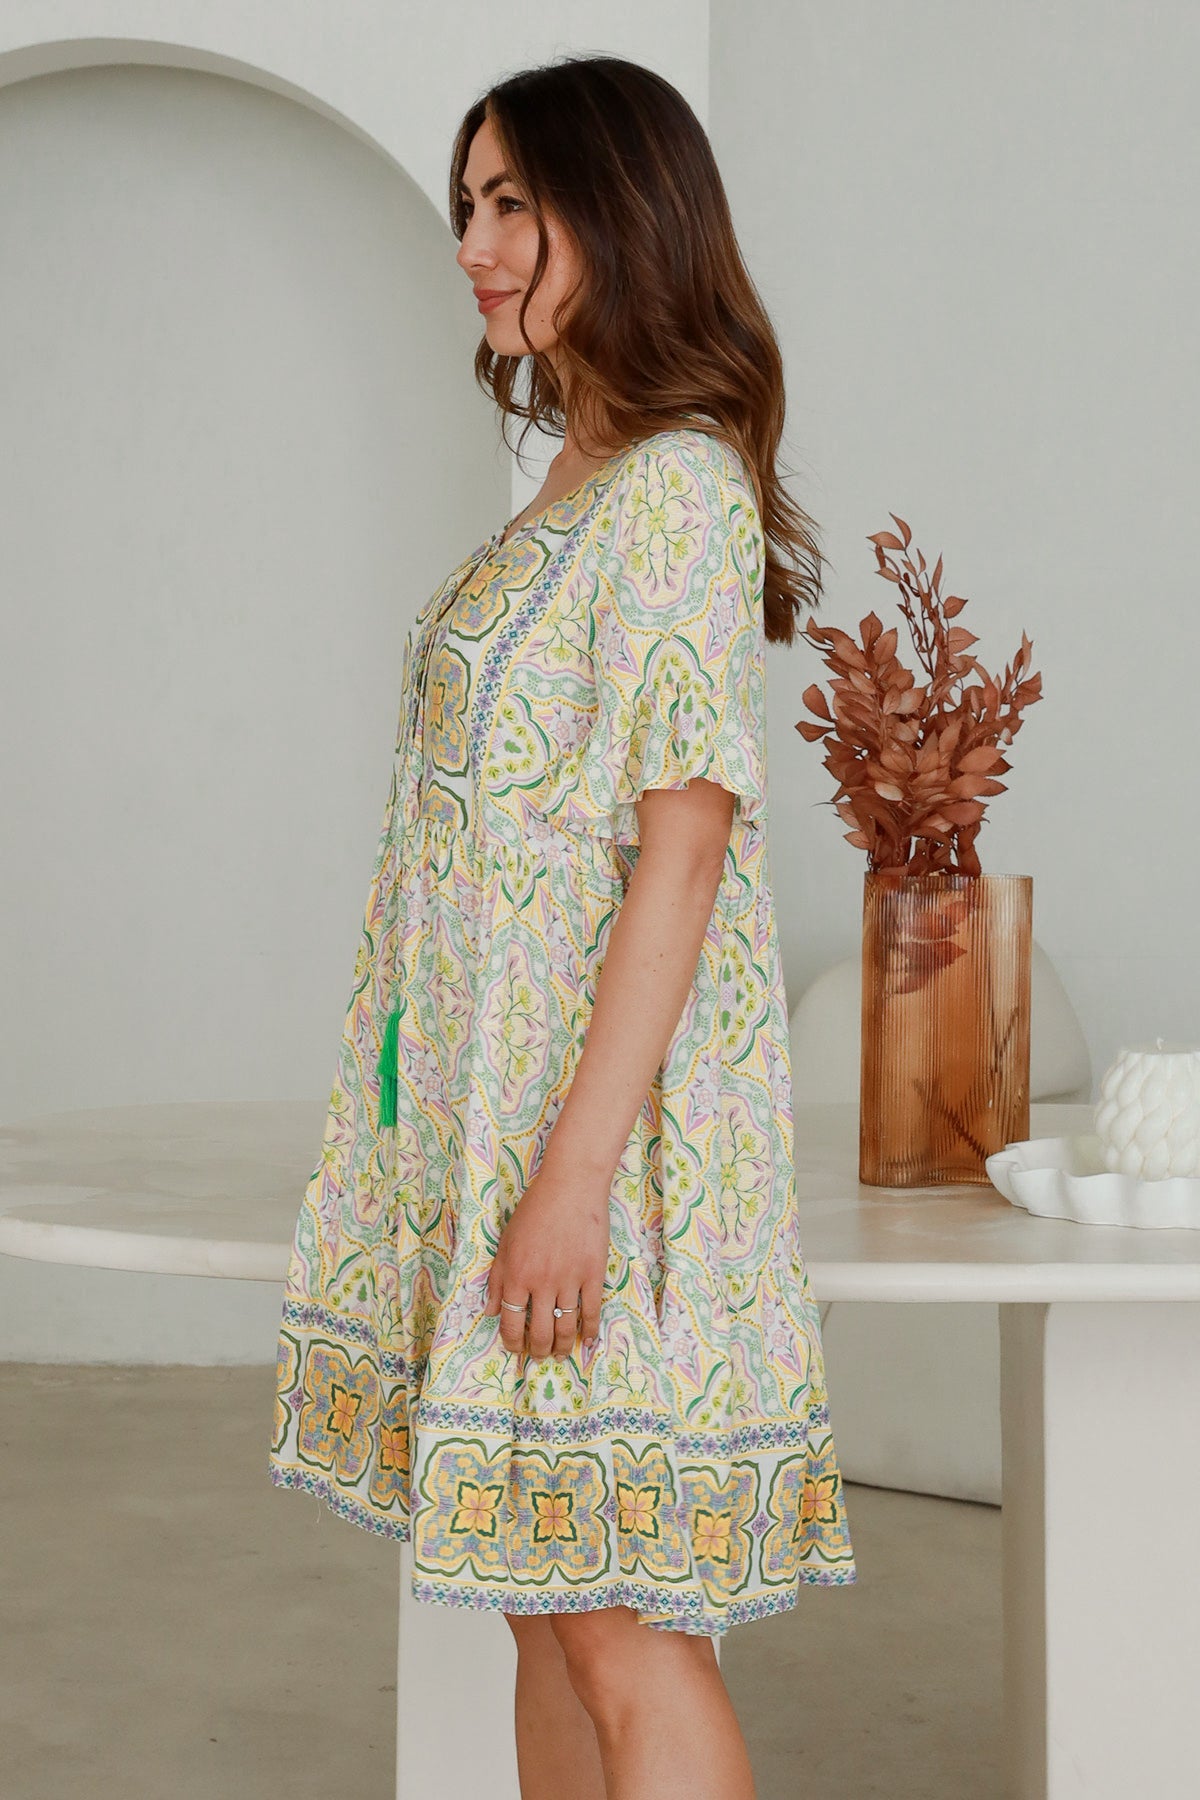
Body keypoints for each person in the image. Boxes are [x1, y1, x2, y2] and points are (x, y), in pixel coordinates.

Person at [269, 51, 856, 1800]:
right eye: (469, 203)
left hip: (597, 1147)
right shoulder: (575, 480)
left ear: (626, 205)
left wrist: (572, 1179)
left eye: (515, 199)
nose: (476, 241)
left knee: (615, 1621)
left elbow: (680, 857)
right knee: (543, 1597)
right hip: (496, 1116)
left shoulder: (675, 487)